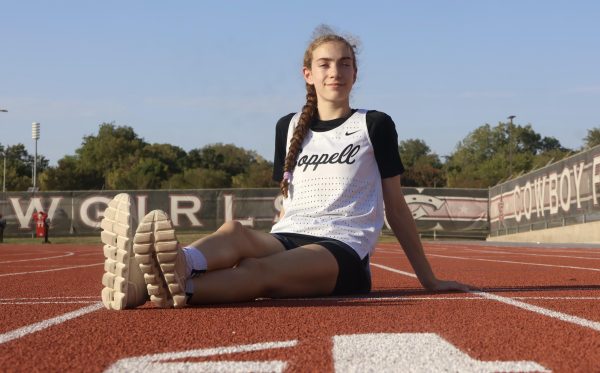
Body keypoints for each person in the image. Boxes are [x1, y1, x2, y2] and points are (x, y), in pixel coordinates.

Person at [100, 26, 469, 310]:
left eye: (344, 64)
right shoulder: (289, 126)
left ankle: (175, 287)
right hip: (290, 232)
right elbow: (289, 201)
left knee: (258, 272)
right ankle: (178, 265)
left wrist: (428, 278)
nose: (335, 72)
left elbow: (396, 206)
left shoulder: (374, 124)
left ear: (355, 74)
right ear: (308, 74)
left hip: (342, 249)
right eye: (324, 64)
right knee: (235, 233)